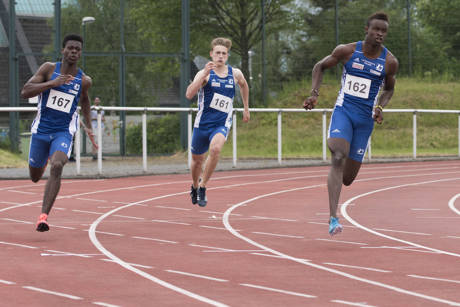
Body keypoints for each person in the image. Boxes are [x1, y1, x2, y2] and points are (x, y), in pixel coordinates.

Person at [303, 12, 399, 236]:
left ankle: (335, 179)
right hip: (343, 112)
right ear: (367, 29)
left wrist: (380, 107)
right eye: (376, 29)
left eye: (384, 31)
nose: (380, 34)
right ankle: (333, 218)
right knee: (338, 156)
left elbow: (390, 88)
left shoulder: (389, 62)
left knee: (347, 178)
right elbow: (319, 66)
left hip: (364, 121)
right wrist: (314, 94)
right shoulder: (346, 51)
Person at [20, 34, 96, 232]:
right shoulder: (48, 69)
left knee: (57, 165)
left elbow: (85, 101)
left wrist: (88, 126)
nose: (73, 51)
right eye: (70, 48)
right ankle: (42, 160)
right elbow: (26, 91)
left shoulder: (83, 80)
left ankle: (43, 217)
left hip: (63, 131)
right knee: (35, 177)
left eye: (77, 49)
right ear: (63, 50)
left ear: (80, 53)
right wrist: (52, 84)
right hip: (41, 131)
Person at [186, 37, 250, 207]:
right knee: (197, 160)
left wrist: (246, 108)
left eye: (223, 53)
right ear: (211, 54)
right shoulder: (204, 73)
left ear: (227, 56)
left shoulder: (235, 74)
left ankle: (203, 187)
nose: (220, 56)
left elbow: (244, 86)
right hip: (202, 124)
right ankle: (194, 185)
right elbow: (189, 94)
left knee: (215, 149)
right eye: (217, 53)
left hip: (221, 124)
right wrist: (203, 76)